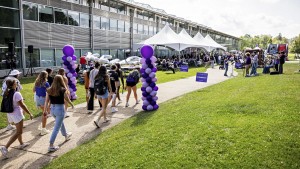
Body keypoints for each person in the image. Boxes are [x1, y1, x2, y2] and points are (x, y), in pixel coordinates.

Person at [0, 78, 33, 158]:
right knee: (19, 132)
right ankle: (5, 147)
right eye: (16, 83)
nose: (17, 84)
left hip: (11, 114)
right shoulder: (17, 93)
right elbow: (22, 105)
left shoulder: (6, 92)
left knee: (18, 131)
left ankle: (21, 143)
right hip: (17, 114)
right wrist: (29, 113)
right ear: (13, 85)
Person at [44, 75, 74, 152]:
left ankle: (66, 135)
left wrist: (45, 110)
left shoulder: (49, 90)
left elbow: (46, 101)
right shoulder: (62, 90)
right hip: (59, 109)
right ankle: (51, 145)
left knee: (60, 123)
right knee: (56, 127)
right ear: (61, 81)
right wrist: (72, 104)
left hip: (52, 110)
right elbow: (67, 99)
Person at [33, 71, 50, 136]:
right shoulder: (46, 83)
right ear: (45, 76)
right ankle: (43, 129)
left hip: (38, 98)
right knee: (45, 113)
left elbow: (33, 90)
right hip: (43, 99)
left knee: (45, 112)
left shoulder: (36, 83)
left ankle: (43, 127)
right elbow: (49, 92)